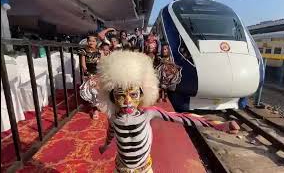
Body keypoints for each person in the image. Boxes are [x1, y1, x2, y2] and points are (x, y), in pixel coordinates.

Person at [97, 51, 240, 173]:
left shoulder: (148, 113)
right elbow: (110, 133)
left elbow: (182, 117)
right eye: (120, 95)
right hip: (120, 169)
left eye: (133, 94)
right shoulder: (113, 118)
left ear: (142, 94)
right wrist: (105, 145)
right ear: (111, 97)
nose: (127, 101)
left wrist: (220, 125)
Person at [78, 33, 102, 120]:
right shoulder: (83, 51)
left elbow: (99, 64)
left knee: (96, 92)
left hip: (97, 74)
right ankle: (94, 109)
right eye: (89, 41)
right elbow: (83, 65)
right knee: (90, 92)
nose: (91, 42)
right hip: (88, 74)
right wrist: (88, 74)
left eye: (93, 41)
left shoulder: (98, 52)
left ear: (96, 42)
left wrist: (99, 73)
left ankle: (95, 107)